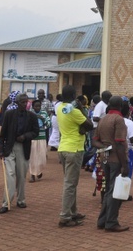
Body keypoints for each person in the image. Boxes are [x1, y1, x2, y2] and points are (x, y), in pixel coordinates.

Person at [57, 85, 93, 228]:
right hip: (74, 149)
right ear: (74, 95)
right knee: (70, 184)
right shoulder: (74, 111)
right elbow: (89, 125)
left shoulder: (60, 108)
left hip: (63, 148)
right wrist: (82, 108)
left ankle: (73, 212)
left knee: (71, 183)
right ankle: (65, 216)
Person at [0, 92, 39, 214]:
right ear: (16, 103)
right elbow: (3, 133)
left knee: (21, 175)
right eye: (22, 102)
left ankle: (21, 200)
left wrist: (25, 136)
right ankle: (6, 203)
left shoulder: (31, 116)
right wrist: (0, 148)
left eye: (26, 102)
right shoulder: (9, 114)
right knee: (10, 175)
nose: (25, 104)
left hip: (23, 147)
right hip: (10, 147)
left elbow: (35, 132)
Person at [94, 96, 130, 232]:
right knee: (115, 192)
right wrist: (125, 165)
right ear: (121, 106)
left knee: (108, 190)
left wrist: (104, 147)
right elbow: (120, 143)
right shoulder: (118, 120)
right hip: (116, 159)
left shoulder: (103, 119)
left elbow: (94, 141)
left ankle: (102, 220)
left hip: (104, 158)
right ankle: (111, 222)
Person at [28, 99, 50, 181]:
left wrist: (43, 119)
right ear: (33, 107)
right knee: (32, 156)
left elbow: (49, 124)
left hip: (42, 137)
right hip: (33, 137)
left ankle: (39, 170)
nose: (38, 108)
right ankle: (32, 174)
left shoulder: (44, 113)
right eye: (36, 106)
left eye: (39, 106)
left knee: (42, 157)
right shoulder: (30, 114)